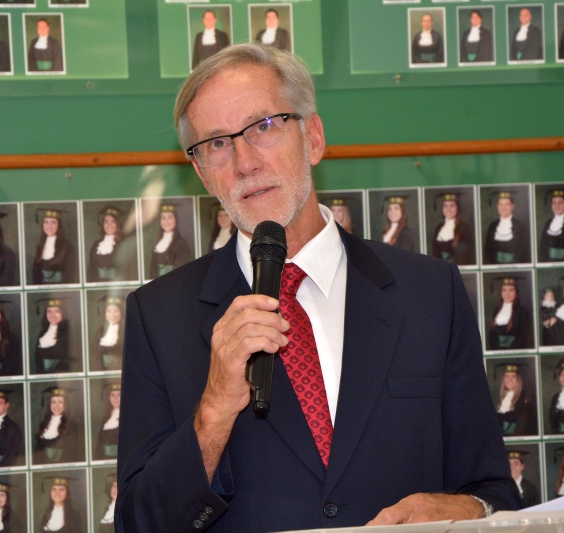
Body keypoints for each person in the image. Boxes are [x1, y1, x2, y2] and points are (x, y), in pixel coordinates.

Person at [117, 43, 521, 531]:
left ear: (312, 137)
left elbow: (495, 493)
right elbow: (140, 522)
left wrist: (464, 510)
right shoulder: (158, 316)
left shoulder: (430, 292)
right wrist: (215, 410)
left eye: (262, 126)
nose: (243, 162)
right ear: (202, 173)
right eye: (218, 144)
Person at [34, 387, 81, 464]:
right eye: (53, 402)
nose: (56, 406)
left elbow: (70, 455)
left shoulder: (71, 426)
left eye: (60, 402)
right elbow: (37, 453)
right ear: (50, 404)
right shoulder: (43, 424)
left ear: (66, 405)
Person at [32, 209, 76, 285]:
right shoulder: (40, 245)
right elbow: (36, 272)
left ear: (59, 224)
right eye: (46, 222)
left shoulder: (67, 245)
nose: (49, 226)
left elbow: (70, 273)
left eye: (53, 222)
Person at [483, 192, 529, 265]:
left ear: (512, 206)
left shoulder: (521, 226)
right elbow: (488, 252)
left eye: (507, 204)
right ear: (497, 206)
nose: (503, 208)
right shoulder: (492, 226)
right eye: (501, 204)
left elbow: (523, 253)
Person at [487, 278, 533, 351]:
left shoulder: (522, 312)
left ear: (516, 292)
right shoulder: (496, 311)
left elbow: (523, 336)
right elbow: (492, 335)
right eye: (504, 290)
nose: (507, 293)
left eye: (511, 290)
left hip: (515, 350)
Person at [148, 204, 191, 278]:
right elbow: (153, 270)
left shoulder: (181, 244)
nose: (166, 221)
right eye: (163, 218)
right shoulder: (157, 244)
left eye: (170, 217)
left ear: (175, 219)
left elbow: (178, 273)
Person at [432, 192, 474, 265]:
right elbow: (435, 253)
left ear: (457, 208)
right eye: (445, 206)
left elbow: (465, 255)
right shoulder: (438, 228)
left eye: (452, 206)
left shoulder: (464, 228)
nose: (448, 209)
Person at [494, 363, 535, 436]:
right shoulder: (500, 400)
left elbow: (521, 428)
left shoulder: (525, 400)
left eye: (513, 376)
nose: (509, 379)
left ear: (518, 379)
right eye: (507, 376)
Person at [87, 206, 126, 282]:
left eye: (113, 221)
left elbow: (126, 271)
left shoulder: (123, 244)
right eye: (106, 221)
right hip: (98, 287)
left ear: (118, 224)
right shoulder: (96, 245)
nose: (109, 225)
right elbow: (91, 270)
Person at [34, 298, 72, 374]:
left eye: (57, 311)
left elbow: (68, 359)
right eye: (49, 311)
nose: (52, 315)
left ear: (63, 313)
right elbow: (37, 357)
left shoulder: (69, 333)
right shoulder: (42, 333)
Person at [93, 296, 124, 371]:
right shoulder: (100, 331)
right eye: (109, 311)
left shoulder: (125, 331)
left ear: (121, 312)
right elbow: (94, 350)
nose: (112, 315)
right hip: (103, 368)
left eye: (116, 311)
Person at [94, 382, 120, 461]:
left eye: (119, 394)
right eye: (113, 395)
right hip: (105, 459)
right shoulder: (106, 419)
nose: (115, 398)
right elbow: (99, 444)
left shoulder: (129, 419)